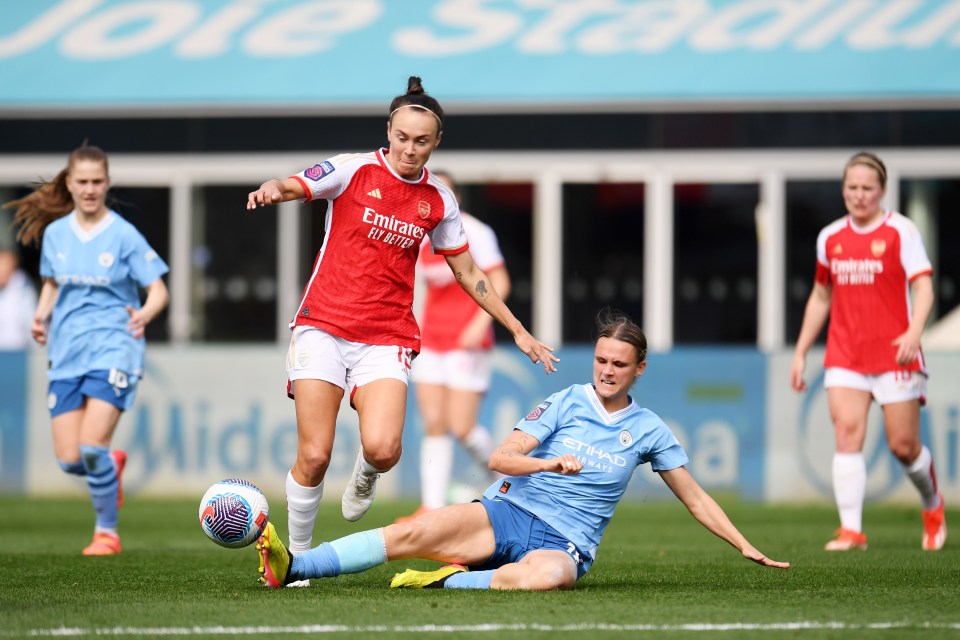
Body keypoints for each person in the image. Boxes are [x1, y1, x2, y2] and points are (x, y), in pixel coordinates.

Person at [245, 76, 558, 583]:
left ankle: (366, 473)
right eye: (402, 137)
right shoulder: (353, 170)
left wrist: (517, 330)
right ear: (389, 131)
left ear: (436, 143)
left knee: (385, 449)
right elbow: (296, 183)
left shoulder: (437, 200)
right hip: (323, 325)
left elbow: (470, 273)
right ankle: (295, 560)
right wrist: (271, 190)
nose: (410, 149)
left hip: (387, 334)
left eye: (422, 141)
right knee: (315, 454)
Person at [255, 309, 789, 591]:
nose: (606, 371)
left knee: (550, 577)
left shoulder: (650, 430)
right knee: (410, 532)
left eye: (619, 364)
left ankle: (453, 581)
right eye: (601, 360)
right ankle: (297, 564)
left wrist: (743, 544)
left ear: (639, 369)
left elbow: (695, 498)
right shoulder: (566, 401)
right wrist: (549, 462)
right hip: (506, 511)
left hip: (566, 541)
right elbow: (500, 459)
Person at [4, 144, 170, 555]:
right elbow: (52, 283)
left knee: (91, 445)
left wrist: (145, 315)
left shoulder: (123, 234)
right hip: (66, 351)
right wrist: (41, 317)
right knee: (70, 459)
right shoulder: (58, 234)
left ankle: (106, 534)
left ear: (107, 183)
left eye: (98, 181)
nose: (90, 189)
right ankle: (109, 467)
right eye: (83, 181)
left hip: (115, 347)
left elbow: (159, 290)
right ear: (70, 184)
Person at [790, 151, 946, 552]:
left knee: (903, 446)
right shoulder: (830, 238)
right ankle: (852, 531)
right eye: (852, 187)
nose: (859, 195)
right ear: (843, 190)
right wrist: (802, 350)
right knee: (847, 434)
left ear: (882, 191)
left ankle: (932, 504)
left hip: (896, 354)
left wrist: (914, 332)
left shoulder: (902, 232)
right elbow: (821, 295)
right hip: (846, 354)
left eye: (867, 188)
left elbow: (923, 286)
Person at [396, 170, 511, 523]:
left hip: (466, 342)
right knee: (433, 422)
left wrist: (480, 324)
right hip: (432, 338)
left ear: (454, 198)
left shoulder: (476, 232)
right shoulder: (420, 236)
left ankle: (507, 483)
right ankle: (431, 508)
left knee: (461, 426)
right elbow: (422, 289)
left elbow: (499, 282)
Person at [0, 247, 38, 350]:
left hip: (19, 352)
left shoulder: (23, 288)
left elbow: (32, 323)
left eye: (3, 264)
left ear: (13, 264)